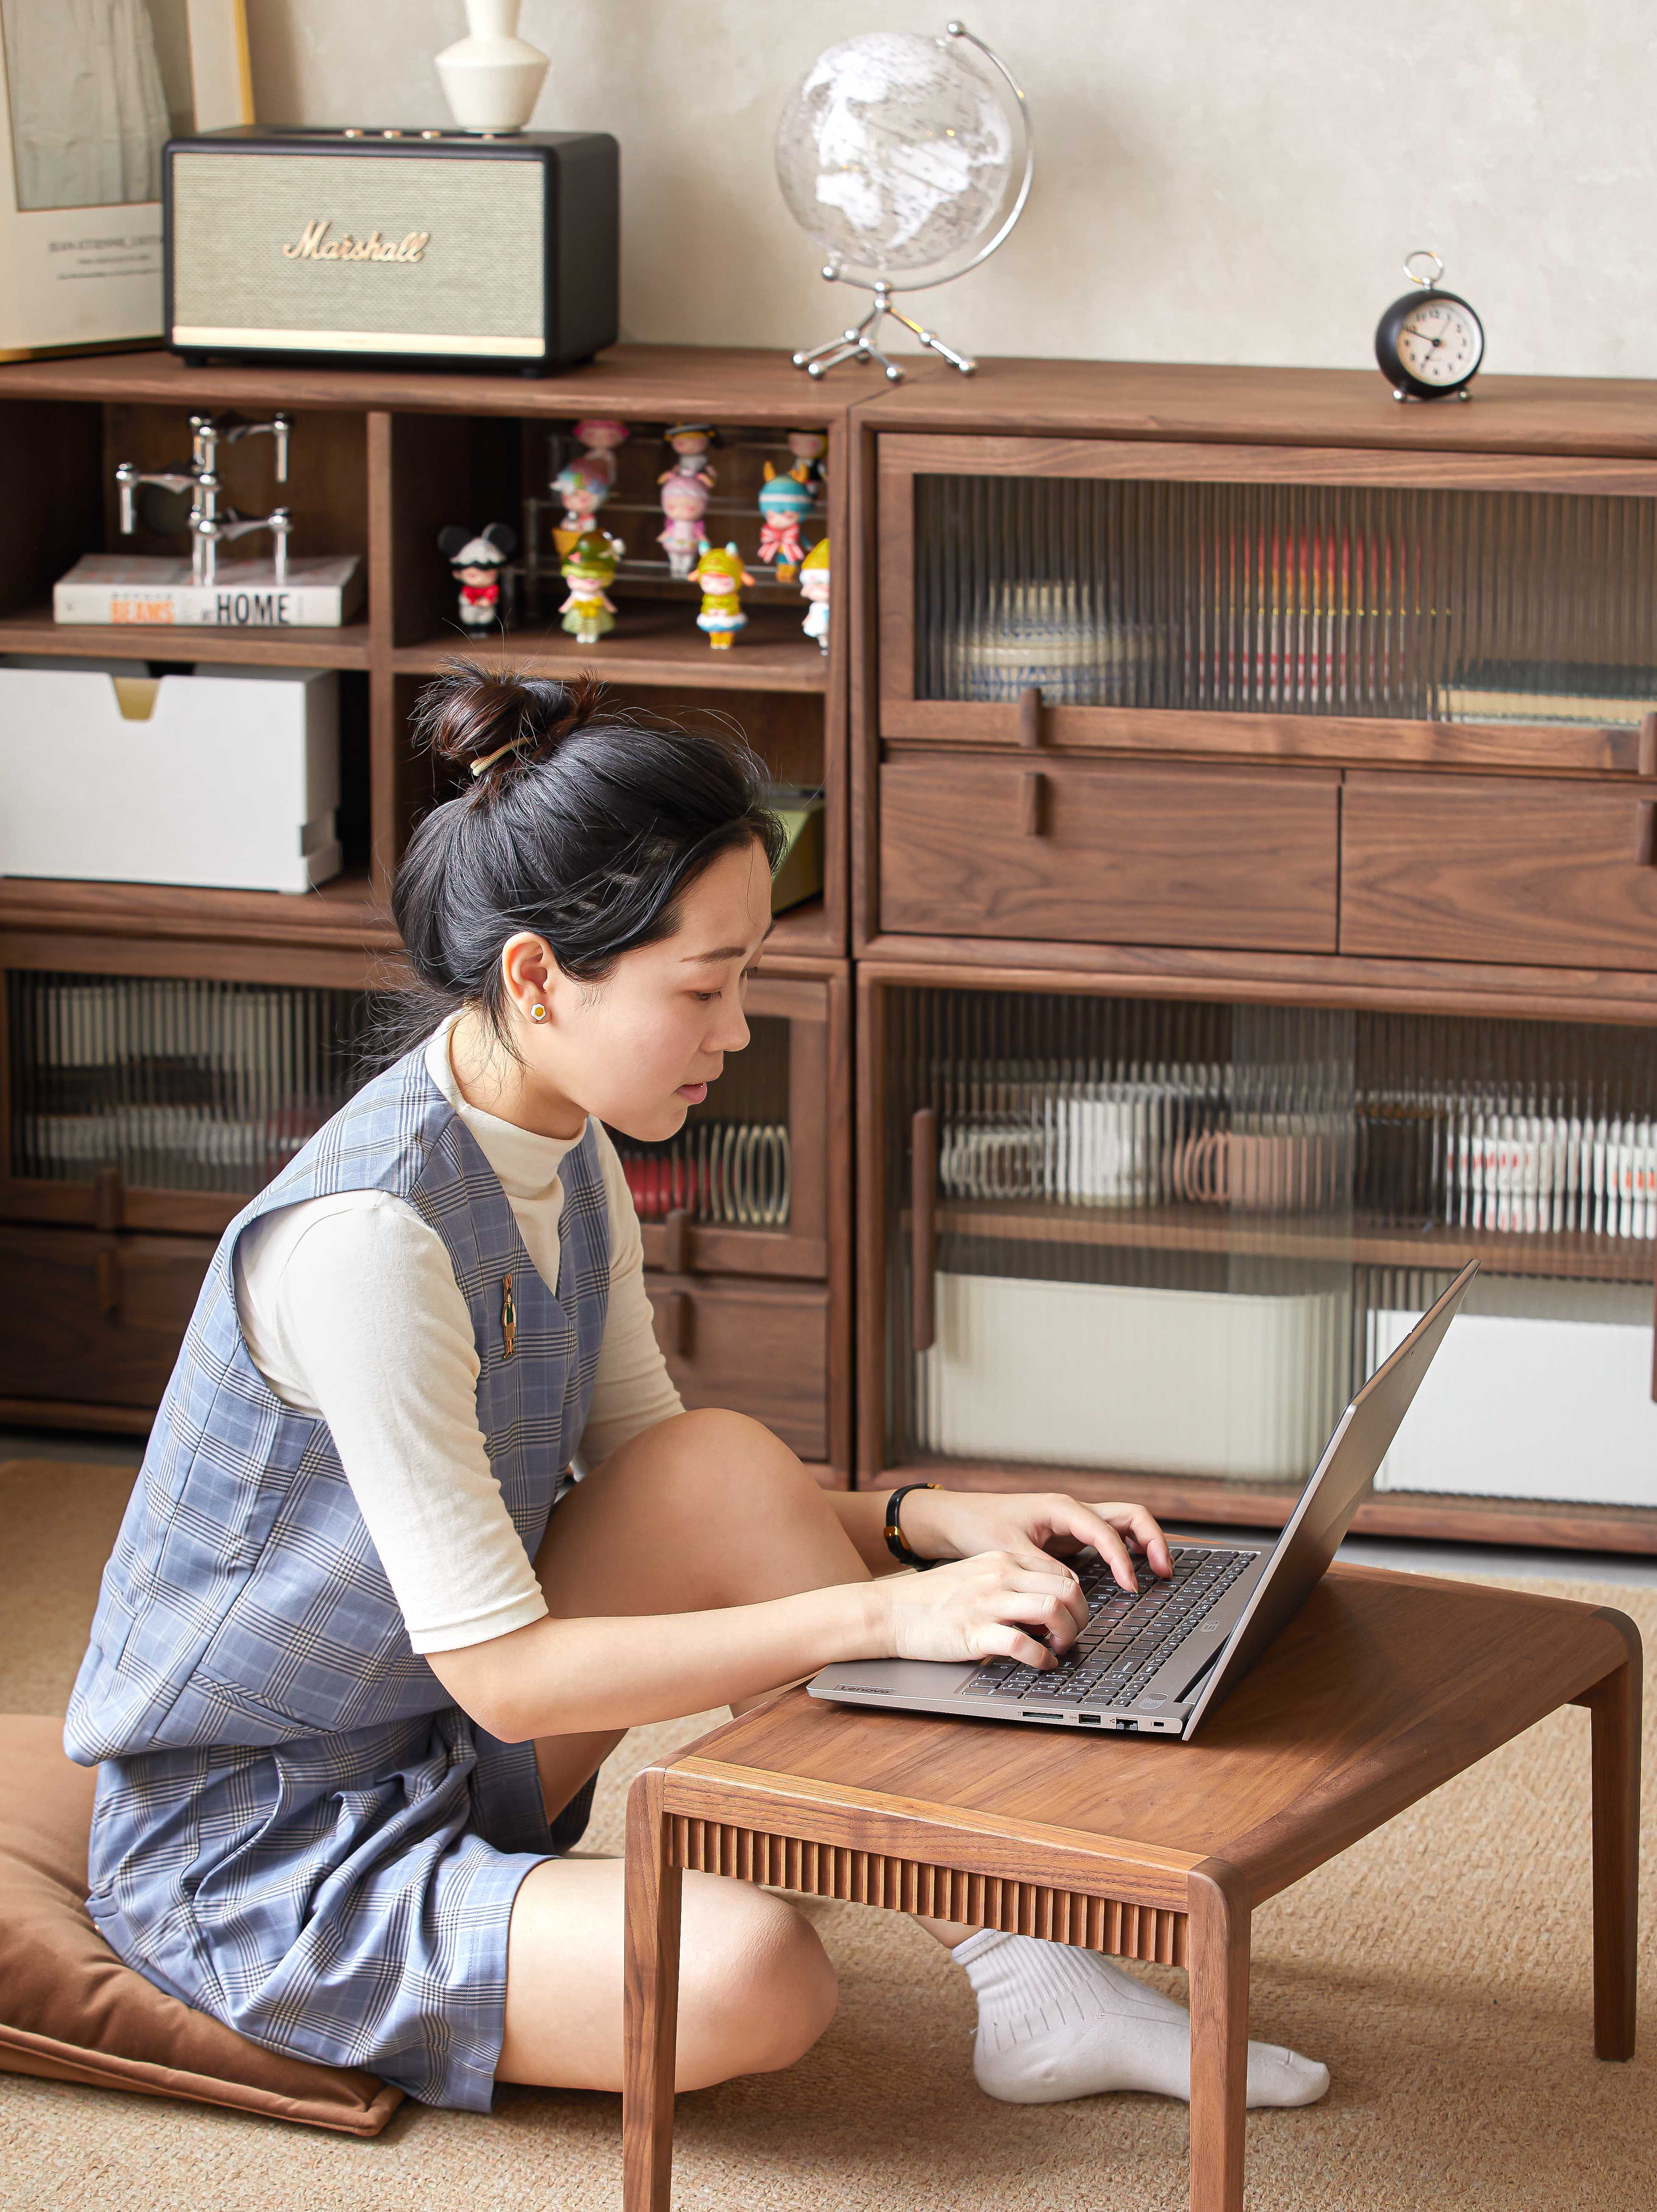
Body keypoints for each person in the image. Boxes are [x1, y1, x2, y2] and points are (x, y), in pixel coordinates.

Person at [66, 669, 1329, 2121]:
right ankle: (1001, 1949)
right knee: (754, 1979)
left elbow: (676, 1491)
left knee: (720, 1457)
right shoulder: (368, 1244)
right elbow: (510, 1672)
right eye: (705, 987)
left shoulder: (565, 1145)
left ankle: (1025, 1969)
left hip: (441, 1752)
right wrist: (885, 1609)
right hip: (269, 1856)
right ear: (539, 978)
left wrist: (933, 1519)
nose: (736, 1033)